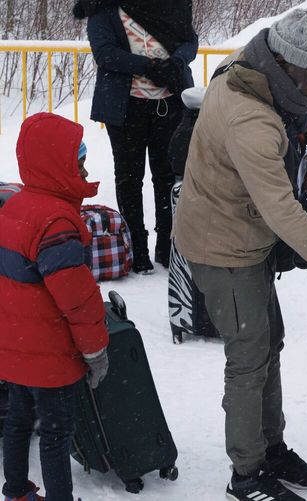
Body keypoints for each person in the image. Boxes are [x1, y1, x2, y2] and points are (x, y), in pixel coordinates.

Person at [172, 9, 307, 501]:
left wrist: (305, 127)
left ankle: (272, 449)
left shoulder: (247, 67)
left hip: (243, 237)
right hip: (222, 247)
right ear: (284, 65)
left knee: (270, 345)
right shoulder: (251, 122)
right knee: (248, 358)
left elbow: (284, 108)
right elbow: (283, 213)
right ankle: (246, 473)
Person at [0, 113, 110, 501]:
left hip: (12, 349)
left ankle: (15, 491)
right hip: (50, 356)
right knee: (55, 433)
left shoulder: (13, 207)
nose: (83, 169)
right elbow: (76, 300)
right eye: (76, 161)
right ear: (55, 164)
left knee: (17, 421)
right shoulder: (56, 222)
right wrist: (95, 350)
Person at [74, 0, 198, 274]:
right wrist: (148, 66)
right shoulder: (102, 7)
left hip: (171, 102)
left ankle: (168, 248)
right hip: (125, 107)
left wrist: (175, 62)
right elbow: (105, 53)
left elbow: (190, 41)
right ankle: (135, 249)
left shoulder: (172, 6)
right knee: (129, 178)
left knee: (168, 177)